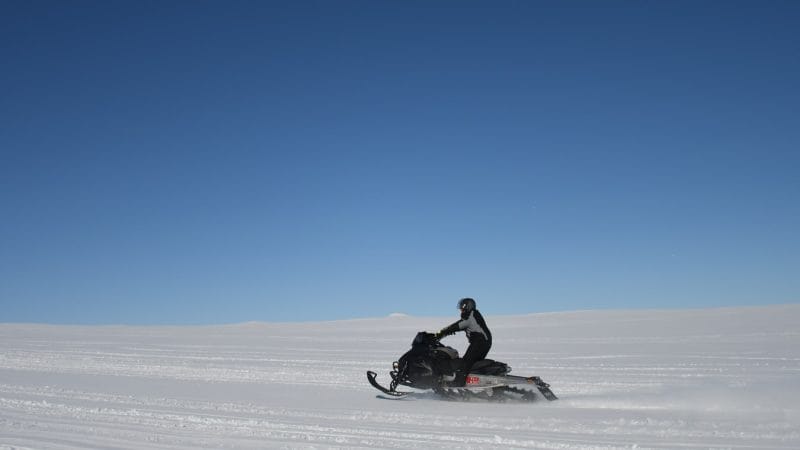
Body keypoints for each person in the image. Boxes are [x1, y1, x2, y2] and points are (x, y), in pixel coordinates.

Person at [435, 297, 492, 386]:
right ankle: (474, 383)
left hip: (480, 342)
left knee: (466, 362)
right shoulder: (474, 315)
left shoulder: (470, 317)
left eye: (462, 307)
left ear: (467, 307)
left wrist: (441, 333)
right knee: (474, 364)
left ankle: (459, 383)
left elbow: (457, 326)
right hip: (484, 342)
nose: (461, 310)